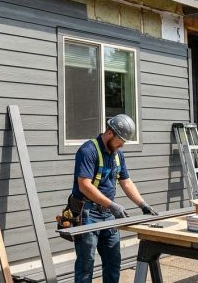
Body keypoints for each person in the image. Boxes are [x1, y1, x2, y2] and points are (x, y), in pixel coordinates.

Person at [71, 114, 156, 282]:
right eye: (121, 140)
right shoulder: (88, 150)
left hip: (108, 215)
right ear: (110, 133)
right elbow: (84, 186)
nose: (122, 144)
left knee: (113, 262)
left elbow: (126, 182)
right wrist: (112, 205)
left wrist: (142, 204)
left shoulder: (118, 154)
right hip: (88, 213)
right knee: (86, 264)